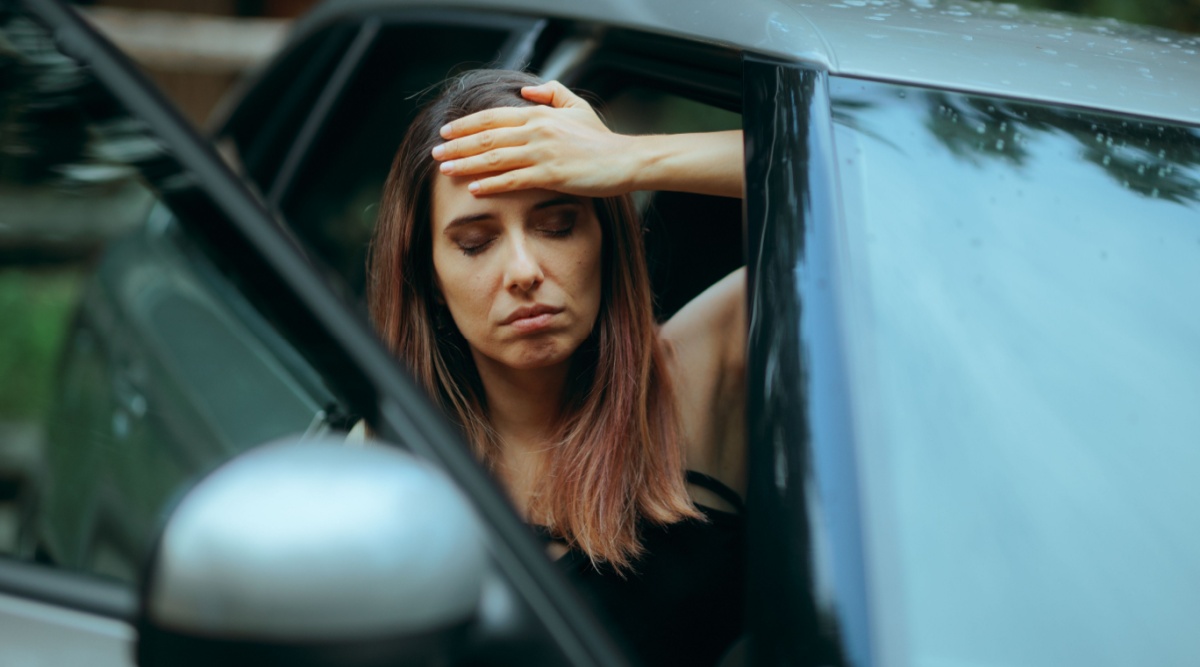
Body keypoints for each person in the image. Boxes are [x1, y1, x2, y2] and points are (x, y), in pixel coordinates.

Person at [368, 69, 746, 667]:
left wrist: (628, 159)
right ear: (430, 280)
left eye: (557, 225)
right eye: (475, 242)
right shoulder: (387, 460)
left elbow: (887, 185)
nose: (523, 270)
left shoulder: (699, 376)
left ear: (605, 236)